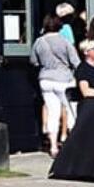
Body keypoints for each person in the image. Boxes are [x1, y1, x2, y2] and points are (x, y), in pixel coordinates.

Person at [31, 14, 80, 156]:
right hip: (64, 79)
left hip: (45, 79)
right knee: (70, 111)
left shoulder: (39, 42)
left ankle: (53, 146)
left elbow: (33, 61)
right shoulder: (65, 42)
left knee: (53, 112)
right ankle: (69, 141)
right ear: (59, 25)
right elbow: (76, 62)